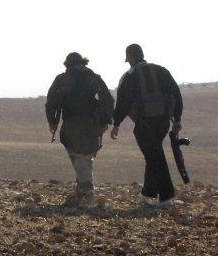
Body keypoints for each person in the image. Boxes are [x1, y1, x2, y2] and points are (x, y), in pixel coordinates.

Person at [110, 44, 183, 207]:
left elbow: (123, 102)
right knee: (153, 154)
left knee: (155, 156)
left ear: (129, 56)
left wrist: (116, 123)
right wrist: (177, 119)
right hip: (163, 122)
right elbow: (176, 93)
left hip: (144, 124)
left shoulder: (129, 76)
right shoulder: (161, 70)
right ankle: (147, 194)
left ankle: (166, 197)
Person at [45, 52, 114, 207]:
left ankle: (86, 190)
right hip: (92, 123)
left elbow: (51, 102)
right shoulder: (94, 78)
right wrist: (105, 121)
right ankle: (83, 190)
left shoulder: (62, 79)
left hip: (72, 122)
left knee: (77, 155)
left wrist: (52, 121)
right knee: (86, 155)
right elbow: (108, 100)